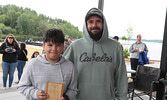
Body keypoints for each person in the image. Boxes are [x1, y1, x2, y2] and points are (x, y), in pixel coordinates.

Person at [63, 8, 128, 100]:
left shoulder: (115, 47)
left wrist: (122, 98)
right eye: (90, 22)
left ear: (103, 24)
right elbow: (61, 71)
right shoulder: (75, 46)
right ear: (86, 25)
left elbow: (121, 77)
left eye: (98, 21)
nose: (94, 25)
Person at [17, 28, 77, 100]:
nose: (54, 49)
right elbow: (22, 86)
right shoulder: (33, 64)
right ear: (43, 46)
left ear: (62, 47)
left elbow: (73, 90)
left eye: (58, 45)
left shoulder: (70, 67)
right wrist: (35, 93)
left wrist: (66, 97)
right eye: (50, 45)